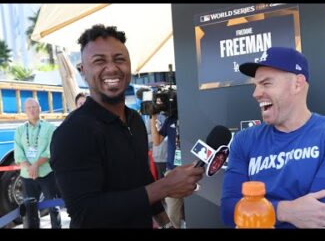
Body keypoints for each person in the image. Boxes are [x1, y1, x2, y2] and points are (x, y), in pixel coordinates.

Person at [50, 24, 204, 228]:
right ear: (82, 71)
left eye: (119, 59)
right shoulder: (72, 133)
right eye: (99, 61)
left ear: (130, 66)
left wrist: (166, 223)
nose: (112, 68)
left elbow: (141, 178)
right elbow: (85, 213)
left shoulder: (133, 119)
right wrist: (165, 186)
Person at [221, 47, 325, 228]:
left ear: (297, 83)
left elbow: (323, 215)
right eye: (255, 85)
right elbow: (228, 211)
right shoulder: (244, 140)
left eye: (266, 83)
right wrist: (286, 210)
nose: (256, 93)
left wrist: (256, 212)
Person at [14, 98, 61, 229]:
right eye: (29, 108)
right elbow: (18, 153)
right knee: (30, 210)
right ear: (25, 111)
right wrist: (29, 168)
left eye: (34, 107)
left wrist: (36, 165)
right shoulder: (19, 130)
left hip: (47, 174)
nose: (32, 110)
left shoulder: (50, 128)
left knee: (53, 207)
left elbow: (50, 151)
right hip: (27, 176)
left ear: (40, 109)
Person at [150, 91, 185, 228]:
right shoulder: (170, 120)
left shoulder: (192, 116)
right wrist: (152, 116)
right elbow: (157, 141)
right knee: (172, 213)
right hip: (173, 172)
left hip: (191, 169)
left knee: (195, 209)